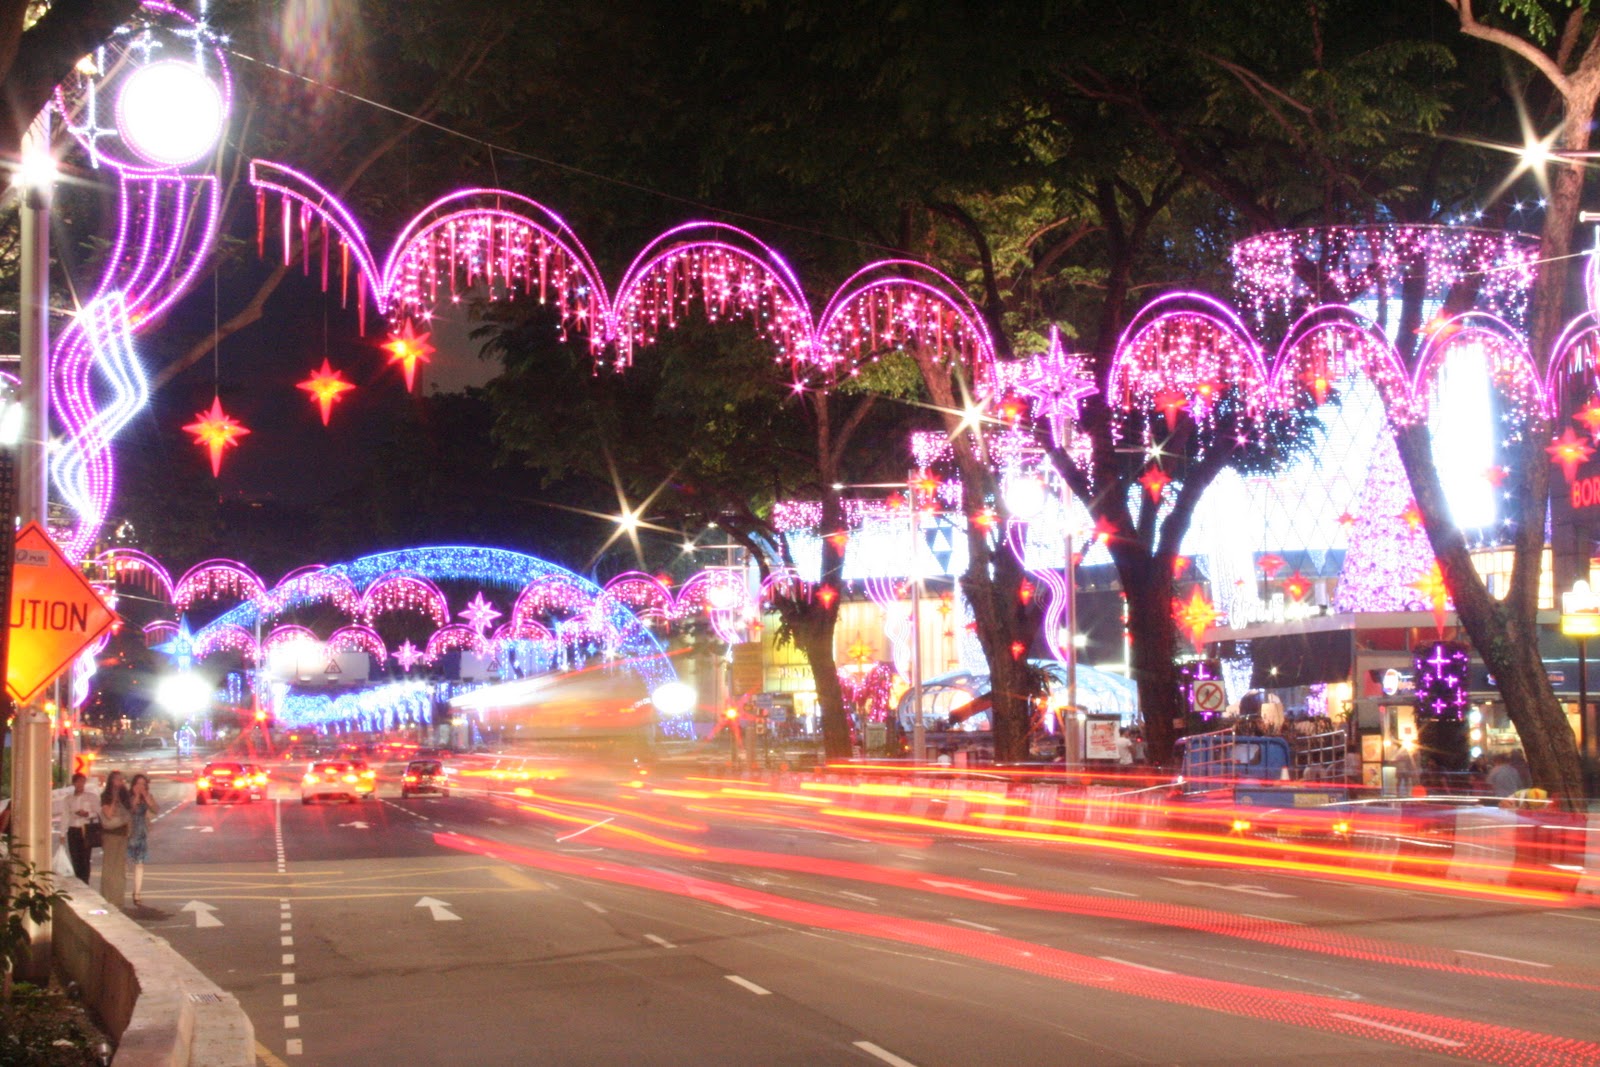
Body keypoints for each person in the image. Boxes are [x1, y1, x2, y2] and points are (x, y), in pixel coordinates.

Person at [99, 771, 132, 907]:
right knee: (109, 867)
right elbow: (109, 814)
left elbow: (130, 811)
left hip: (122, 834)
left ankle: (118, 899)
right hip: (110, 835)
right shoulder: (105, 796)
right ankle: (106, 897)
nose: (120, 782)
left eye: (122, 780)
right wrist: (114, 799)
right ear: (111, 781)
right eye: (117, 780)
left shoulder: (125, 796)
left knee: (119, 870)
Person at [126, 773, 159, 907]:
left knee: (139, 863)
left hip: (141, 833)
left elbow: (156, 810)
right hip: (129, 833)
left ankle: (137, 892)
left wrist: (146, 797)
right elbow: (130, 809)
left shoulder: (147, 797)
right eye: (138, 784)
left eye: (143, 784)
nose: (140, 787)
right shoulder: (128, 797)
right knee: (127, 864)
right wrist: (137, 796)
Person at [58, 773, 97, 883]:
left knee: (85, 858)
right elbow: (65, 816)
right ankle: (78, 879)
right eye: (78, 782)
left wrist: (87, 814)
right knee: (75, 857)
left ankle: (85, 881)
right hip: (73, 829)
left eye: (82, 782)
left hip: (85, 829)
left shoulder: (91, 797)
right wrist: (62, 834)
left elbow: (97, 812)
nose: (80, 784)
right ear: (74, 783)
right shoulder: (68, 799)